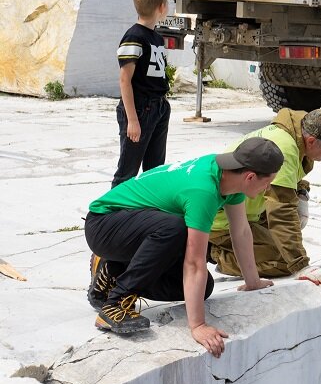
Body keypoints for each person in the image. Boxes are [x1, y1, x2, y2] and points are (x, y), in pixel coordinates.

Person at [85, 137, 284, 357]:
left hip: (132, 229)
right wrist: (198, 326)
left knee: (202, 288)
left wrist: (253, 283)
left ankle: (115, 269)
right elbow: (194, 262)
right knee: (176, 229)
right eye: (268, 182)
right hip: (104, 224)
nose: (268, 188)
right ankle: (116, 302)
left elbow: (241, 231)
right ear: (250, 177)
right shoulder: (204, 190)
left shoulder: (231, 177)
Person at [209, 108, 321, 285]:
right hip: (221, 221)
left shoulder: (291, 134)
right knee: (284, 262)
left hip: (246, 212)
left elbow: (288, 180)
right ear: (312, 141)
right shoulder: (286, 149)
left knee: (286, 246)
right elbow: (281, 213)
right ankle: (214, 252)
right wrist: (301, 266)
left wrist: (301, 191)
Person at [112, 0, 170, 187]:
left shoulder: (157, 37)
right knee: (127, 171)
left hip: (159, 106)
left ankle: (147, 214)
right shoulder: (134, 37)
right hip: (140, 109)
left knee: (155, 170)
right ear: (161, 7)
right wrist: (132, 120)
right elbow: (124, 80)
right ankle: (107, 216)